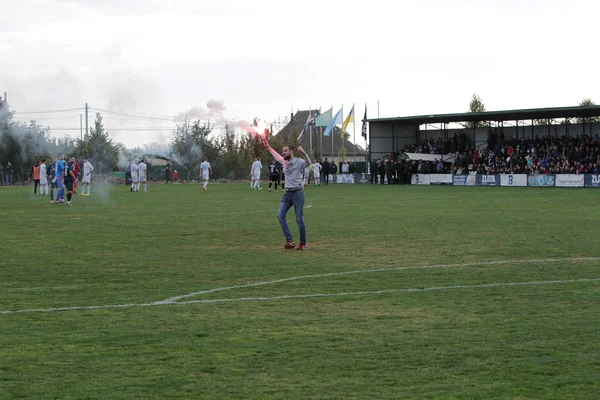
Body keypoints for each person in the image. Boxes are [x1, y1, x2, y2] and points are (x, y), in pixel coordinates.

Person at [261, 137, 311, 250]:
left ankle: (303, 243)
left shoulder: (299, 162)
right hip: (287, 194)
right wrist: (268, 146)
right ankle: (290, 240)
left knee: (299, 219)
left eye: (285, 151)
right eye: (283, 151)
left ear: (291, 151)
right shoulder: (284, 161)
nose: (283, 153)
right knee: (280, 216)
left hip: (298, 193)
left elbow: (308, 163)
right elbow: (275, 154)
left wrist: (303, 152)